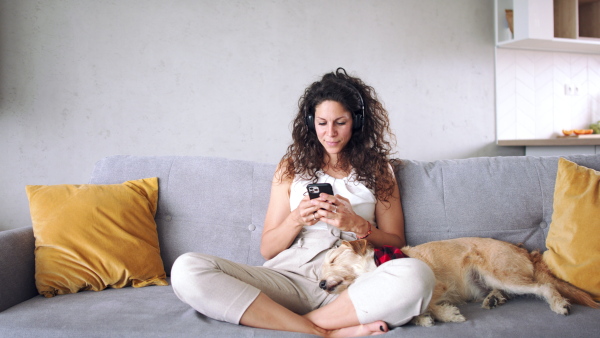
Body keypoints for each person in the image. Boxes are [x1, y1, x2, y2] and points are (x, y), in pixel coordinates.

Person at [171, 68, 435, 337]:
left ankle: (302, 323)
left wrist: (356, 224)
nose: (330, 133)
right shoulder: (291, 167)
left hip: (352, 284)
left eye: (340, 122)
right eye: (322, 122)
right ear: (310, 122)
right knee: (187, 268)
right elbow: (268, 249)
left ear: (356, 121)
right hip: (288, 279)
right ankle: (326, 331)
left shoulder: (379, 169)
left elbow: (396, 243)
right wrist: (296, 218)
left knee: (417, 275)